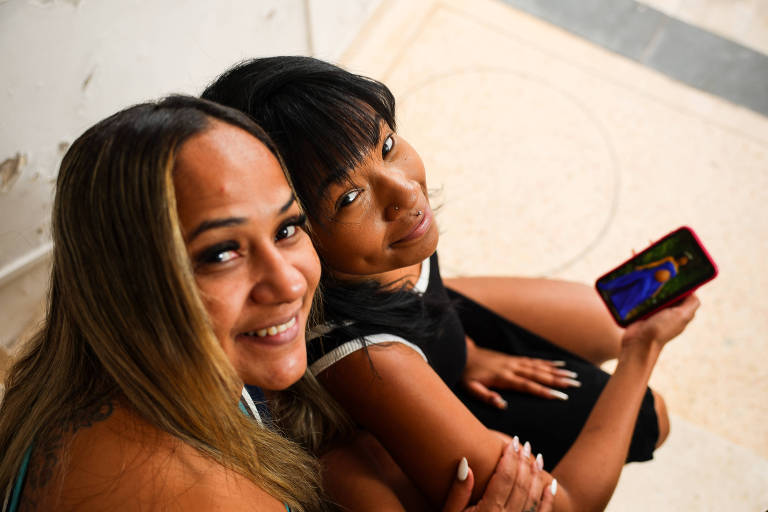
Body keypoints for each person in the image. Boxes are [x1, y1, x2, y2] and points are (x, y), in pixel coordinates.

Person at [0, 96, 553, 512]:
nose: (288, 283)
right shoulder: (191, 489)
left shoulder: (101, 363)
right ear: (127, 284)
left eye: (287, 228)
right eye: (221, 253)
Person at [202, 56, 701, 510]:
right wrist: (643, 350)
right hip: (395, 372)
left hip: (429, 327)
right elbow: (564, 506)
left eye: (386, 146)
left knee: (610, 319)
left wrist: (463, 351)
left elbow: (422, 280)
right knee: (649, 415)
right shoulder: (369, 361)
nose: (405, 192)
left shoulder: (380, 243)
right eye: (349, 198)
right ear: (293, 230)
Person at [598, 255, 690, 321]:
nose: (683, 261)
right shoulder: (670, 258)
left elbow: (665, 281)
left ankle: (621, 307)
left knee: (639, 294)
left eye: (685, 261)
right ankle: (608, 288)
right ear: (681, 257)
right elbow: (656, 264)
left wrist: (657, 290)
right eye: (684, 258)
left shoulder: (676, 271)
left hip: (655, 284)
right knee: (631, 281)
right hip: (650, 274)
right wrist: (643, 267)